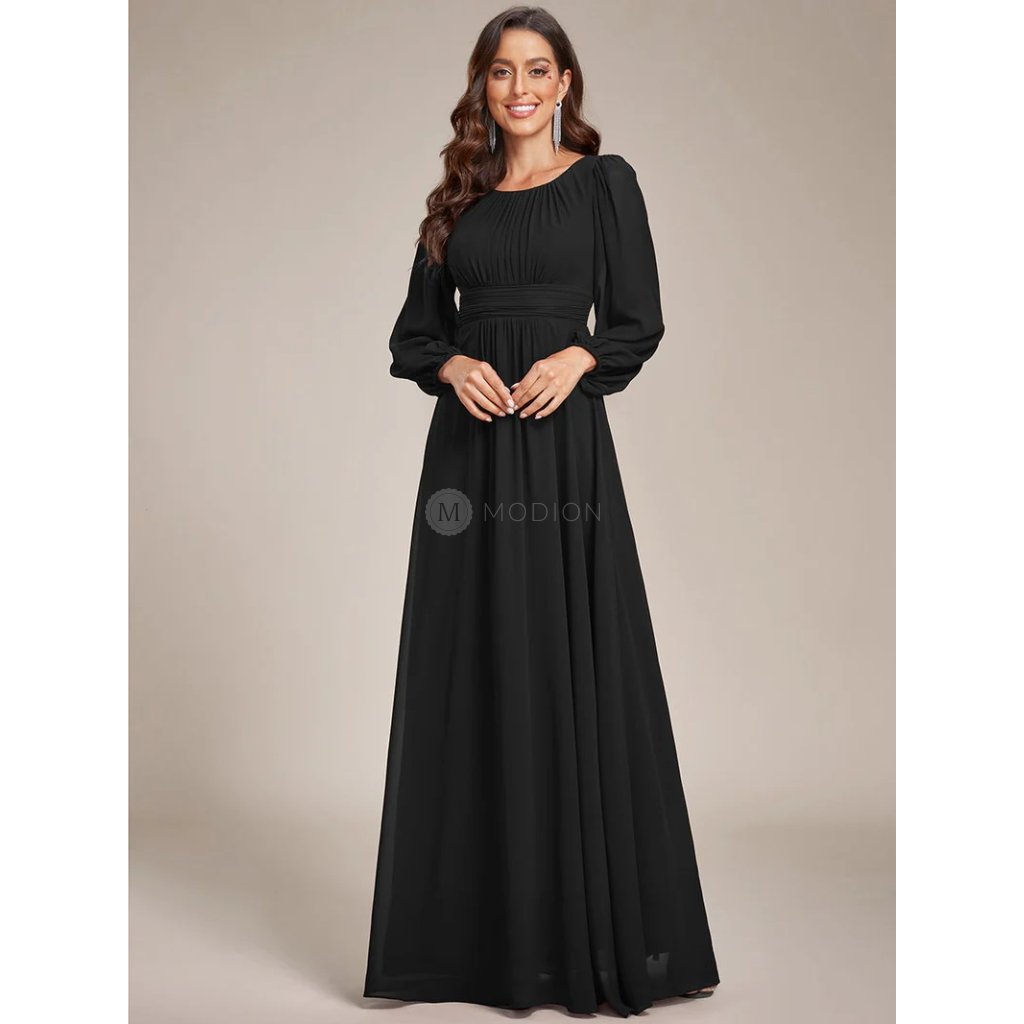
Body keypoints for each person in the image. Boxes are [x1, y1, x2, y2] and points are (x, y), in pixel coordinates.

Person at [362, 6, 720, 1017]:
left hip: (562, 454)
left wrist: (580, 356)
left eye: (536, 70)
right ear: (482, 87)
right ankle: (470, 951)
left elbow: (639, 320)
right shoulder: (456, 205)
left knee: (570, 657)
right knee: (471, 662)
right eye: (500, 72)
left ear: (565, 83)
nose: (518, 88)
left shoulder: (606, 185)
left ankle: (579, 941)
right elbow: (412, 337)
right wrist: (453, 365)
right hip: (468, 459)